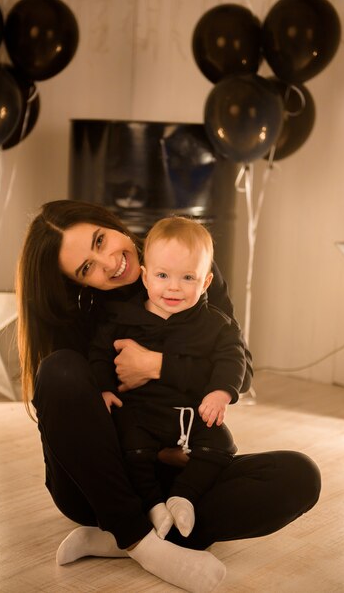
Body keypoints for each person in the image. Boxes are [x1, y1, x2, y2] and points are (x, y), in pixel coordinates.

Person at [16, 199, 321, 593]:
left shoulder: (189, 263)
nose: (108, 263)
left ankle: (116, 539)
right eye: (86, 268)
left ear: (113, 224)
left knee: (299, 475)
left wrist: (158, 366)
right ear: (78, 283)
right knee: (59, 369)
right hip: (105, 477)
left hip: (180, 462)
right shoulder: (85, 312)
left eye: (100, 241)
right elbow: (76, 418)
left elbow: (237, 367)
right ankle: (142, 542)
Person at [89, 216, 244, 540]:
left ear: (205, 283)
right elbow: (99, 353)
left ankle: (183, 496)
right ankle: (152, 505)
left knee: (222, 445)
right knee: (130, 447)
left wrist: (220, 392)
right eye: (162, 275)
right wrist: (104, 388)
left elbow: (233, 357)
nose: (173, 287)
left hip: (191, 416)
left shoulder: (215, 324)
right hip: (140, 415)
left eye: (188, 277)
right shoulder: (123, 318)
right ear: (146, 278)